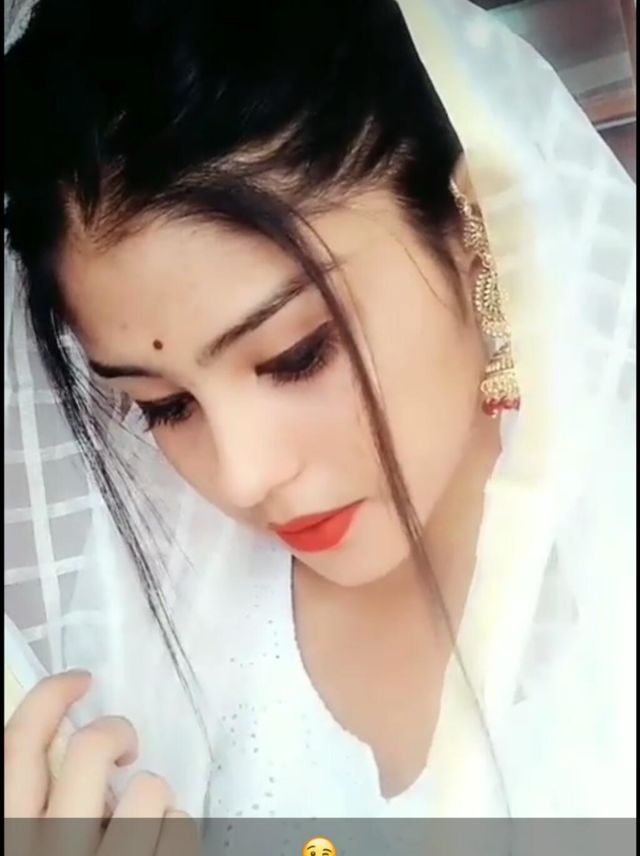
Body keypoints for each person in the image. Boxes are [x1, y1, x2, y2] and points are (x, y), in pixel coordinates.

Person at [4, 0, 635, 828]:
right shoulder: (145, 645)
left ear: (473, 225)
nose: (243, 476)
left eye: (296, 355)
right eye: (164, 406)